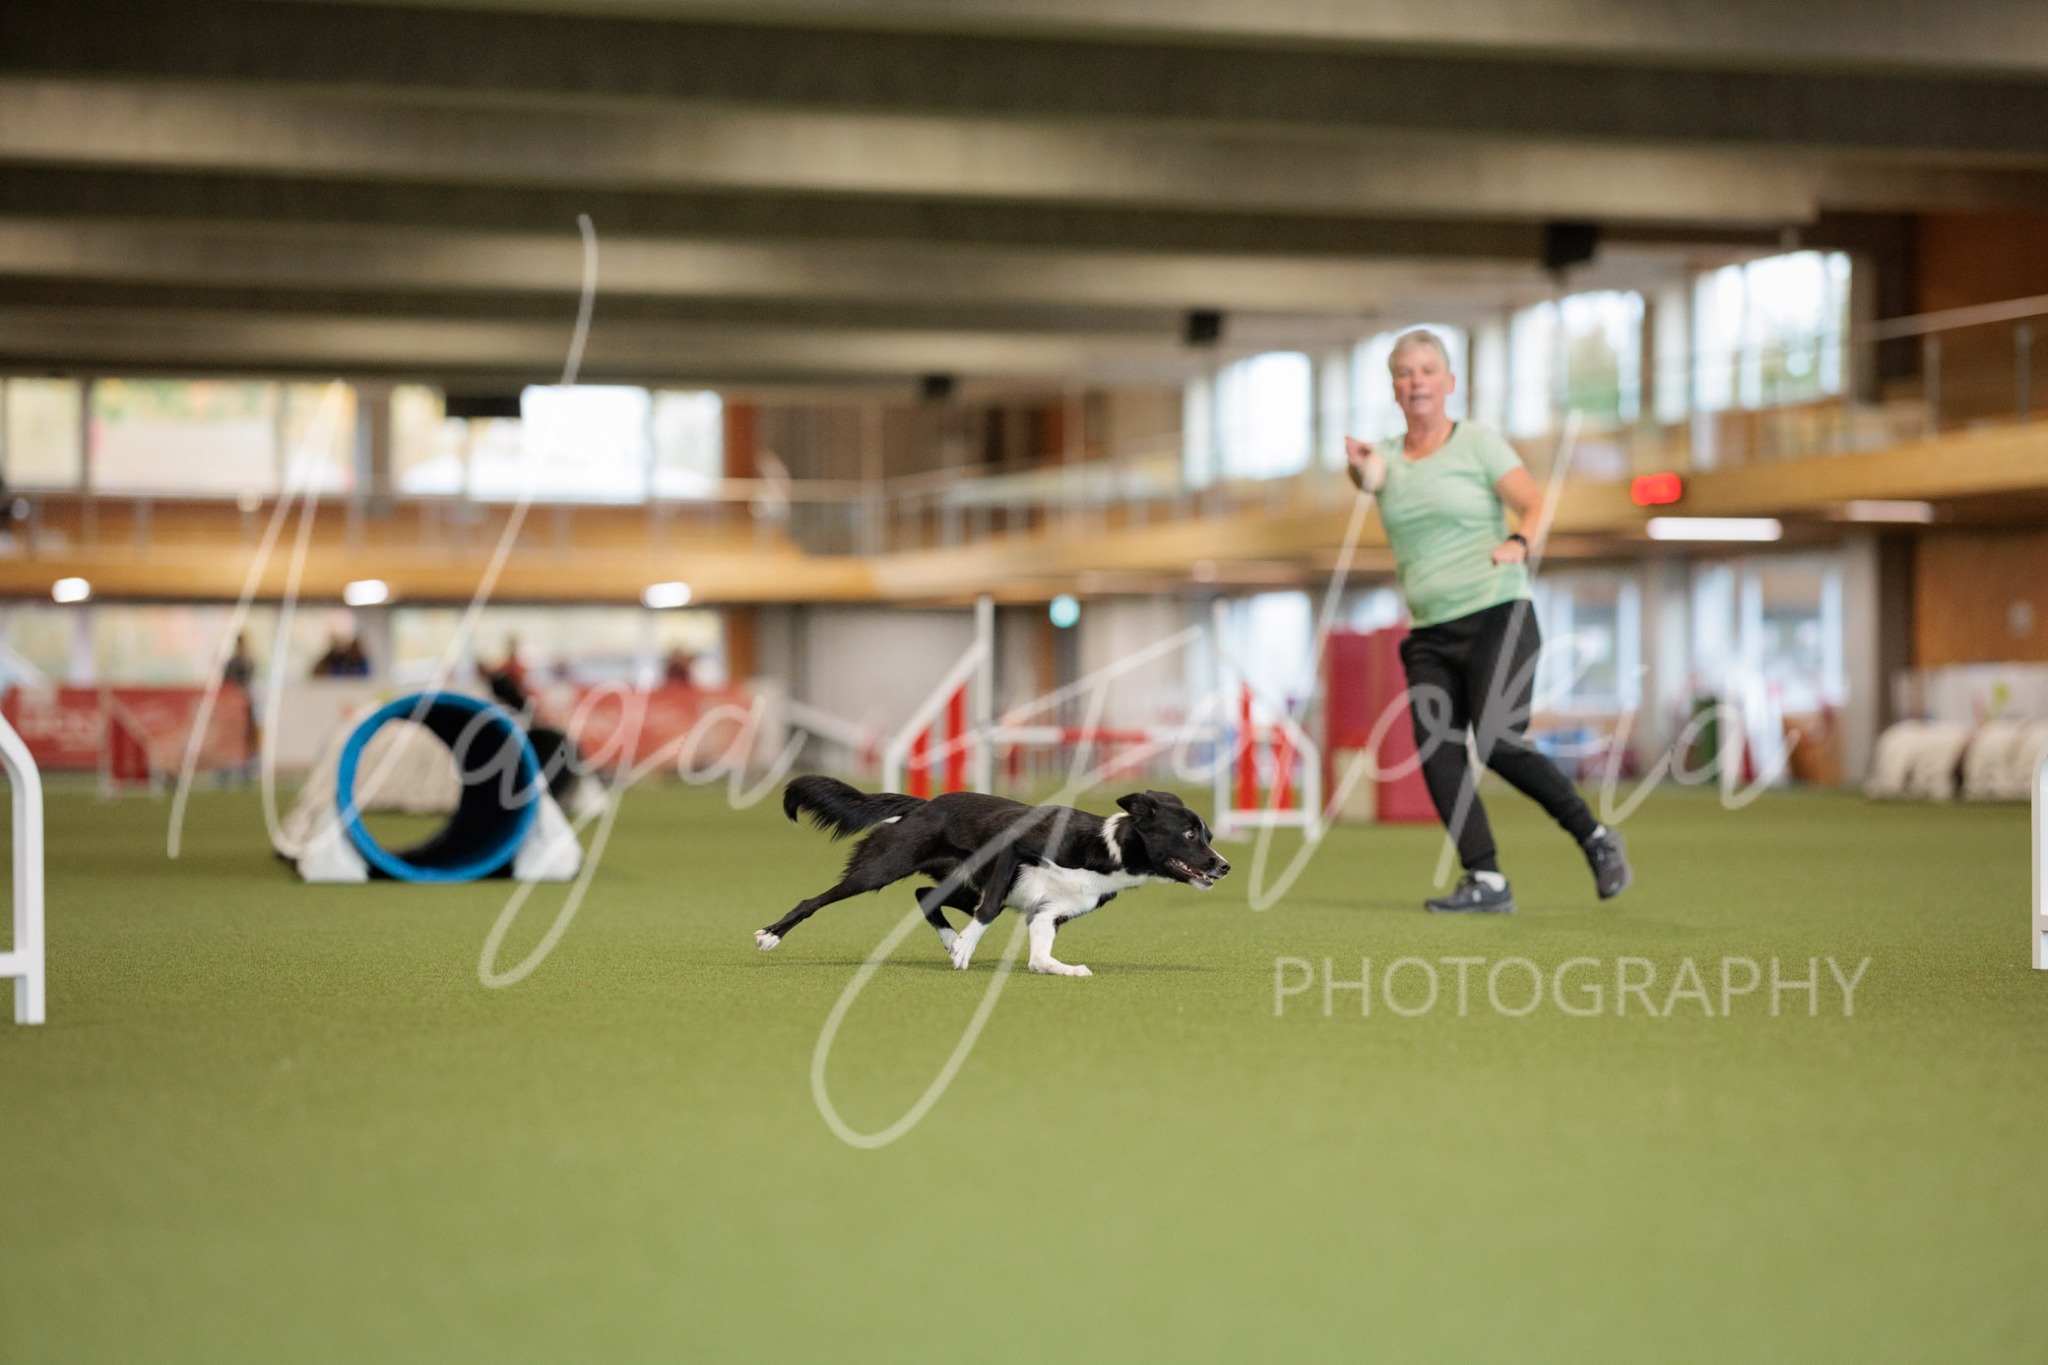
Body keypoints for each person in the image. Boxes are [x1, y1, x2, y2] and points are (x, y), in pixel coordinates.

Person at [1345, 329, 1631, 914]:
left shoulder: (1478, 443)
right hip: (1429, 632)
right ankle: (1487, 880)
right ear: (1394, 388)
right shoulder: (1387, 458)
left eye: (1428, 369)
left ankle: (1596, 837)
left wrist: (1520, 541)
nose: (1417, 380)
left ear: (1448, 382)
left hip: (1498, 614)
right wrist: (1358, 465)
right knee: (1439, 751)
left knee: (1498, 740)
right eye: (1405, 372)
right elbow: (1369, 478)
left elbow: (1534, 502)